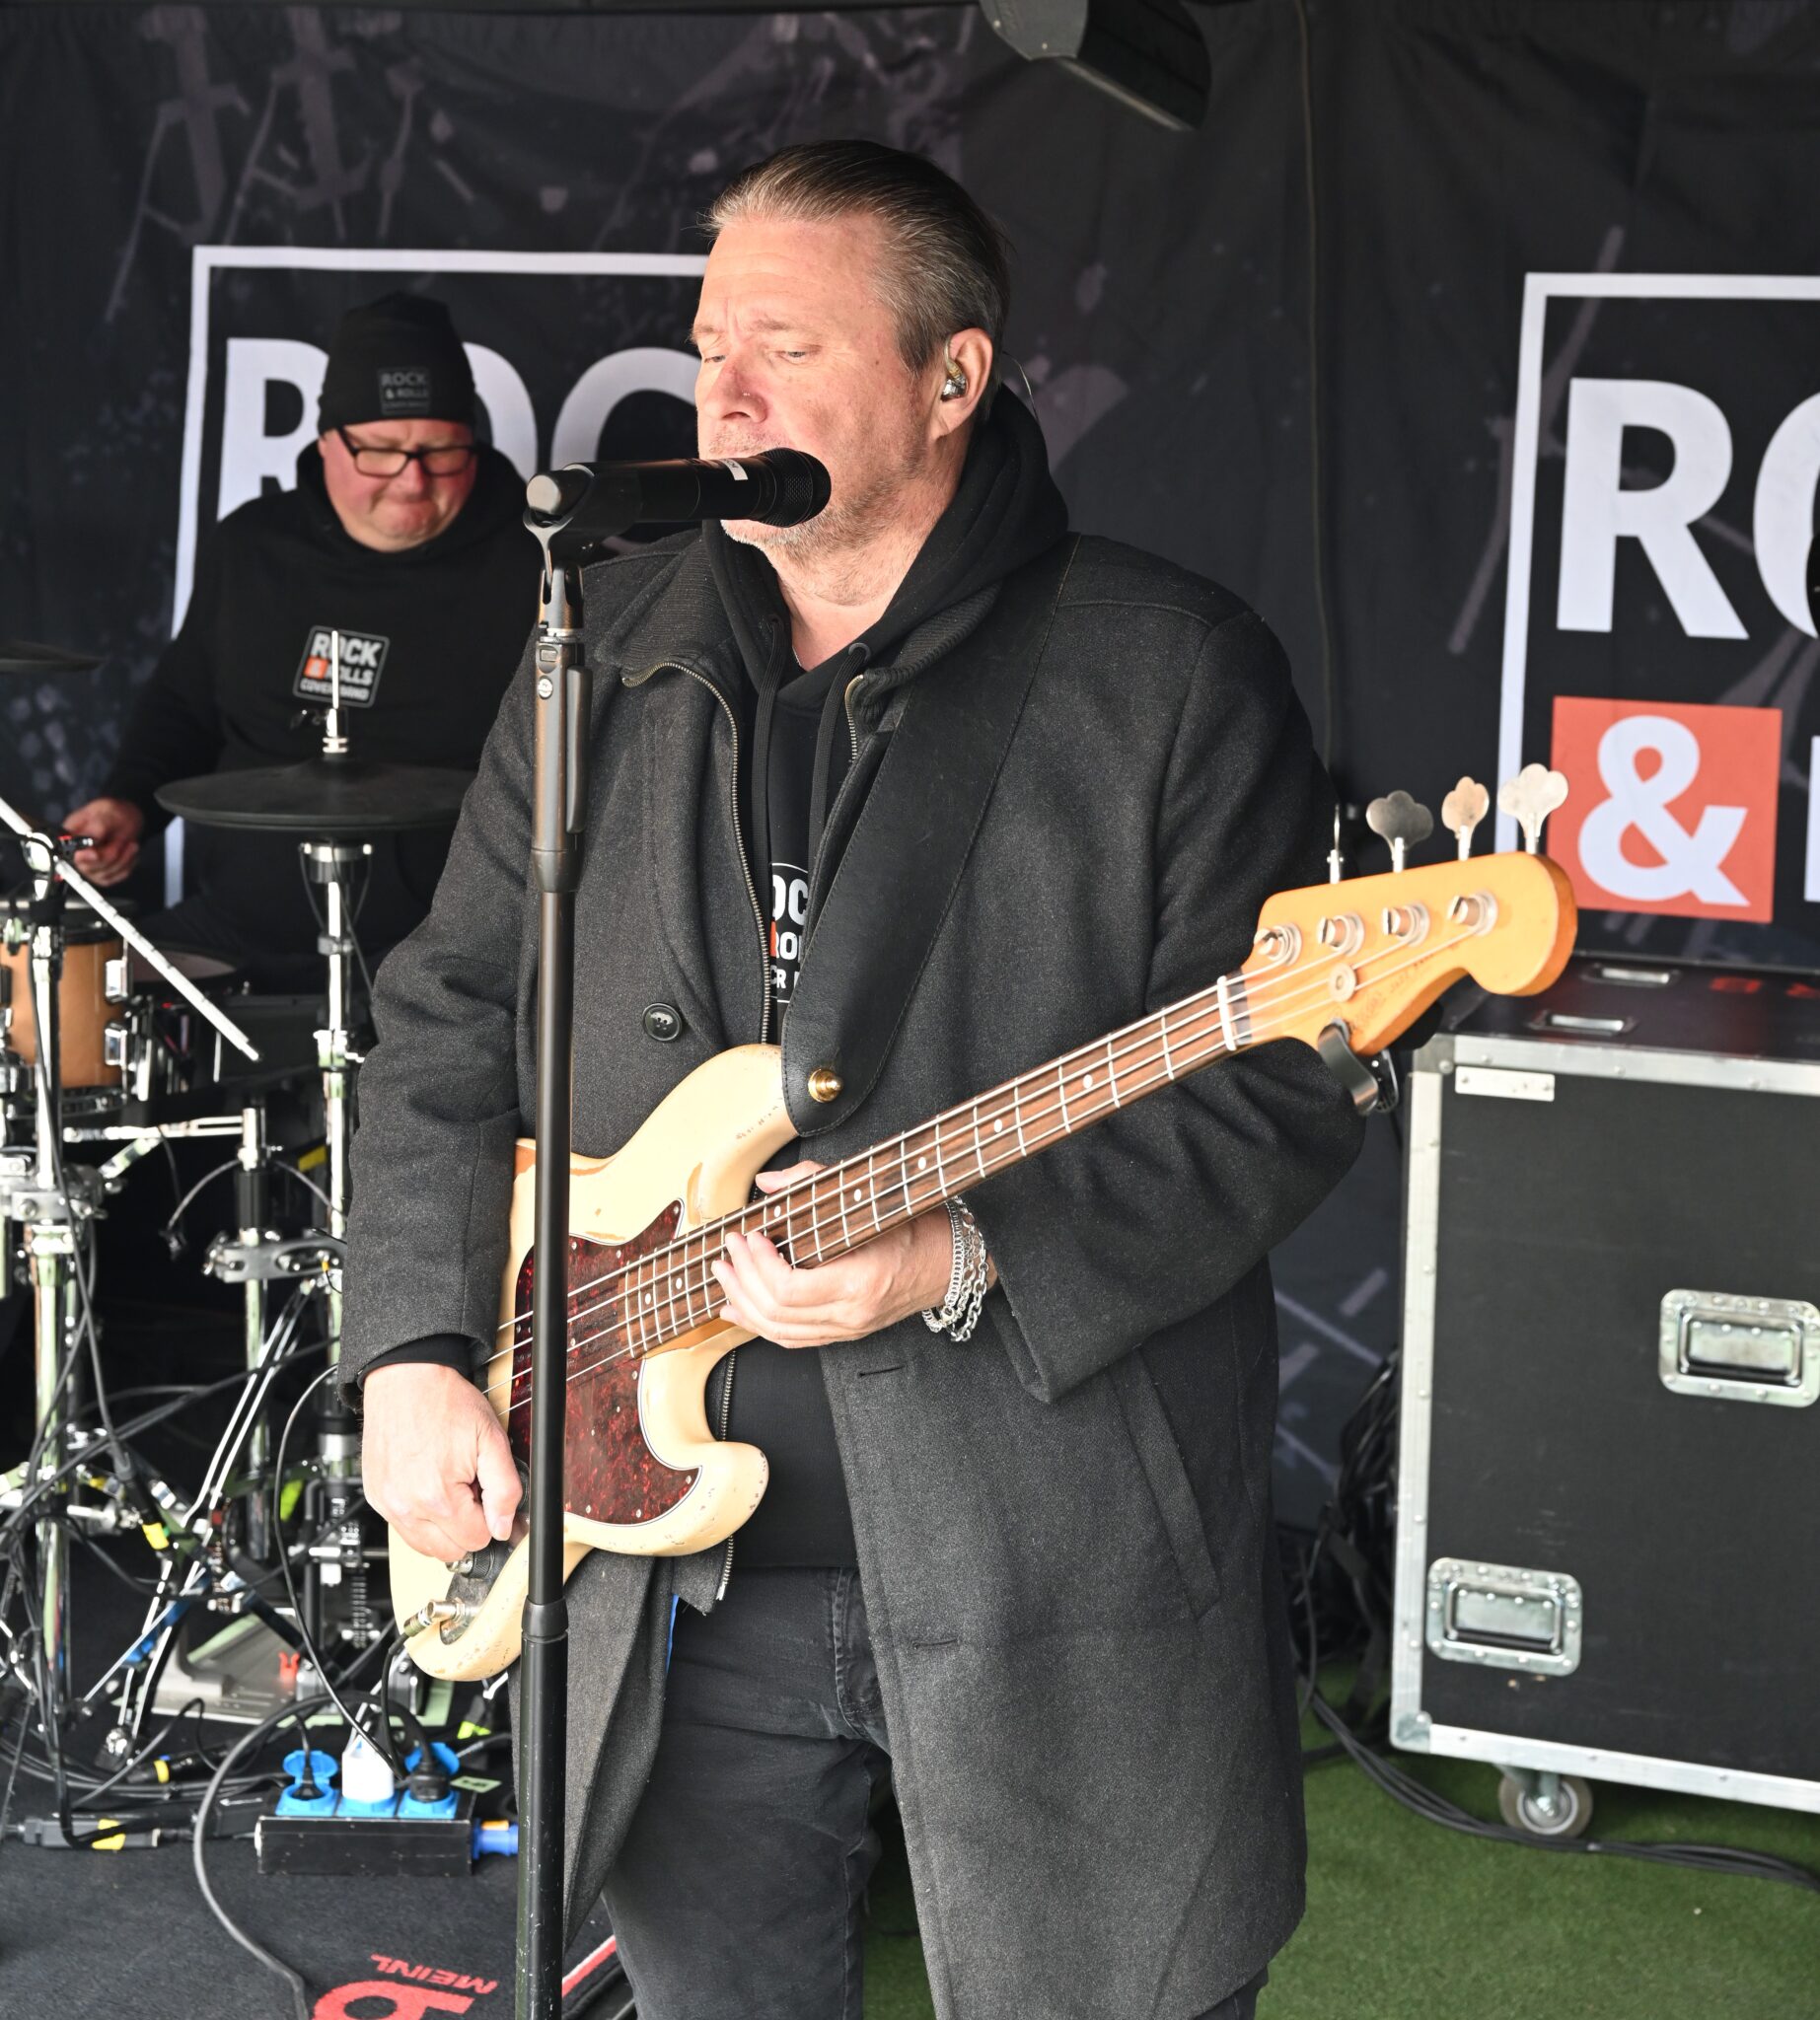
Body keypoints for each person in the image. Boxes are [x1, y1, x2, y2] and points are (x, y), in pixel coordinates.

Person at [345, 141, 1364, 2020]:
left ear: (950, 379)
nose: (721, 392)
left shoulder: (1166, 670)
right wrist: (410, 1343)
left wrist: (965, 1250)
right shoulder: (606, 644)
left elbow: (1283, 1078)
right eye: (708, 345)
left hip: (1054, 1559)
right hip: (662, 1570)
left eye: (786, 347)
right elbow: (450, 1008)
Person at [63, 293, 541, 988]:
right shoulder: (252, 546)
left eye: (441, 450)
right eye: (380, 451)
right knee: (78, 997)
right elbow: (185, 707)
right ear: (326, 442)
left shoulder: (541, 568)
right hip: (237, 926)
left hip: (445, 960)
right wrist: (126, 804)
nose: (412, 480)